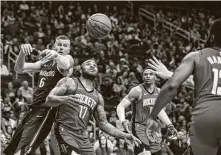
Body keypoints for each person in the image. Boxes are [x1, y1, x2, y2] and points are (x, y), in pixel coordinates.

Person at [149, 19, 221, 155]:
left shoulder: (197, 56)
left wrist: (153, 116)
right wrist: (170, 74)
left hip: (205, 120)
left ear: (211, 37)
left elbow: (171, 87)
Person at [43, 59, 141, 155]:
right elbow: (48, 100)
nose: (92, 66)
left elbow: (104, 124)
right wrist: (64, 99)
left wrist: (125, 135)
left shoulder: (98, 97)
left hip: (82, 137)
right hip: (63, 131)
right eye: (88, 64)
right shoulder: (69, 82)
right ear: (81, 70)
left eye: (95, 65)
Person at [4, 35, 74, 155]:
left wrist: (56, 54)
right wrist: (22, 53)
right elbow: (19, 69)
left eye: (65, 45)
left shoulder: (67, 59)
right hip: (33, 109)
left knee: (24, 149)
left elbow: (65, 64)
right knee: (11, 148)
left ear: (69, 49)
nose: (61, 47)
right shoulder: (46, 62)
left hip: (47, 109)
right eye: (59, 45)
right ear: (54, 46)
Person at [117, 67, 177, 155]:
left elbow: (159, 111)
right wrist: (123, 121)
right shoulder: (137, 90)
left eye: (150, 74)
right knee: (146, 154)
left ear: (155, 77)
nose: (148, 76)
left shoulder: (159, 92)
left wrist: (170, 125)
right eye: (145, 74)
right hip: (138, 127)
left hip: (152, 128)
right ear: (142, 77)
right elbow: (120, 106)